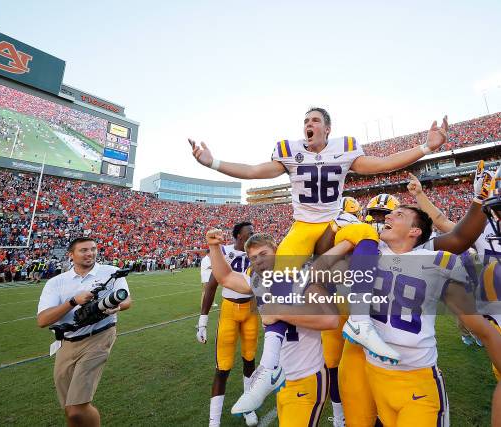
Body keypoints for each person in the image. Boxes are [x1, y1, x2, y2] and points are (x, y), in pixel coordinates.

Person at [190, 107, 449, 367]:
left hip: (333, 223)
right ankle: (269, 366)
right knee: (275, 281)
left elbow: (383, 163)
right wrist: (213, 163)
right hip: (302, 226)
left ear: (327, 129)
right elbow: (253, 171)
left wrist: (425, 147)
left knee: (366, 232)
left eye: (314, 120)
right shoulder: (290, 151)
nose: (308, 124)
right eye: (305, 121)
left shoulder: (344, 148)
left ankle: (359, 322)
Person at [329, 205, 501, 426]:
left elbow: (481, 328)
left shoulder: (437, 262)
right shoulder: (369, 254)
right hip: (376, 377)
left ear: (415, 231)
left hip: (418, 380)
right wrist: (346, 232)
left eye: (399, 214)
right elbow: (320, 268)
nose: (389, 216)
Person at [205, 230, 339, 426]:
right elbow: (225, 277)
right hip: (283, 379)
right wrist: (214, 247)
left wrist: (279, 312)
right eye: (253, 258)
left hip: (307, 376)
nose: (258, 261)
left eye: (264, 254)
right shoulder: (259, 279)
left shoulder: (302, 273)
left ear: (277, 251)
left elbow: (330, 319)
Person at [37, 237, 131, 427]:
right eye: (84, 250)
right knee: (70, 410)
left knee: (77, 408)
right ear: (71, 255)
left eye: (93, 249)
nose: (90, 253)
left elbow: (127, 300)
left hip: (100, 335)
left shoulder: (111, 272)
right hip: (67, 342)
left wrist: (117, 308)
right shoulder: (56, 282)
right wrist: (73, 301)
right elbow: (43, 320)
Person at [197, 222, 258, 427]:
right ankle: (214, 422)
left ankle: (248, 407)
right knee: (223, 367)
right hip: (229, 311)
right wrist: (202, 321)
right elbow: (212, 285)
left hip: (250, 310)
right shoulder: (224, 252)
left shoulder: (256, 252)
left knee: (250, 361)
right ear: (239, 236)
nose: (254, 234)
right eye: (250, 232)